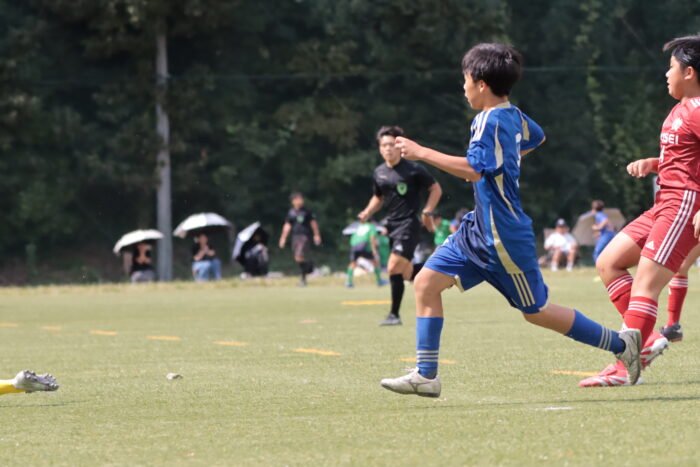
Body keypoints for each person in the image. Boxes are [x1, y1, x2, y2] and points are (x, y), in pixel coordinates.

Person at [379, 42, 641, 398]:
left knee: (536, 312)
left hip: (501, 237)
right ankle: (426, 375)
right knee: (425, 283)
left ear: (481, 83)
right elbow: (536, 136)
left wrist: (422, 152)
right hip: (477, 229)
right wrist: (505, 161)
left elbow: (473, 170)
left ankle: (623, 345)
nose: (463, 86)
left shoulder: (489, 120)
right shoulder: (512, 114)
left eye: (465, 79)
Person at [581, 34, 700, 387]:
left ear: (689, 72)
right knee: (608, 262)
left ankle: (625, 368)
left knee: (646, 285)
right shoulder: (681, 109)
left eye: (671, 67)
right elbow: (687, 160)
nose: (666, 74)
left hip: (683, 204)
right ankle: (644, 343)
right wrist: (655, 163)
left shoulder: (697, 109)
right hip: (664, 203)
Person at [358, 125, 443, 326]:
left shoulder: (413, 169)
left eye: (391, 144)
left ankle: (394, 315)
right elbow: (378, 197)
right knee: (406, 273)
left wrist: (427, 211)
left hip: (409, 224)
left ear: (399, 146)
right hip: (391, 226)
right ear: (379, 148)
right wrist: (367, 212)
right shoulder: (379, 172)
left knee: (392, 267)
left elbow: (436, 189)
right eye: (383, 145)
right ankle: (441, 271)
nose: (387, 148)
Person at [278, 192, 321, 287]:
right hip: (295, 237)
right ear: (293, 201)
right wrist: (283, 238)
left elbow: (313, 223)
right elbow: (287, 225)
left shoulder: (306, 211)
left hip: (304, 236)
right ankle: (309, 266)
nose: (300, 201)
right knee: (298, 258)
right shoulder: (291, 212)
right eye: (298, 199)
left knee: (299, 256)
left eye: (301, 199)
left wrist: (316, 234)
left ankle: (304, 277)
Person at [345, 221, 387, 287]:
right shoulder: (371, 227)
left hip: (354, 246)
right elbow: (372, 238)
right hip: (364, 246)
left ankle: (349, 282)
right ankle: (379, 281)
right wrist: (374, 249)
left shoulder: (358, 226)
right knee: (375, 262)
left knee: (353, 263)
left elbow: (353, 238)